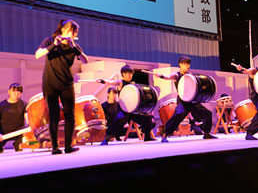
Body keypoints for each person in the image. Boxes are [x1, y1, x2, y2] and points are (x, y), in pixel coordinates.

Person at [35, 19, 88, 154]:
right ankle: (54, 148)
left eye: (76, 32)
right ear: (64, 30)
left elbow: (85, 60)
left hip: (67, 84)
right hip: (50, 83)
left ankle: (68, 146)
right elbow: (37, 55)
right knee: (54, 116)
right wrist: (53, 45)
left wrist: (74, 47)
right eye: (73, 31)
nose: (74, 34)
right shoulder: (50, 40)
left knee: (70, 115)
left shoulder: (74, 45)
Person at [157, 56, 217, 142]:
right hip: (182, 101)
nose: (187, 66)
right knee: (178, 115)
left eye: (188, 63)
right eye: (185, 63)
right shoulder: (177, 75)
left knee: (207, 113)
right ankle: (165, 134)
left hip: (192, 101)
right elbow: (168, 76)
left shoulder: (190, 75)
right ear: (180, 64)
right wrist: (161, 76)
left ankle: (207, 133)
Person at [98, 65, 156, 144]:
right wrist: (102, 81)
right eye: (127, 73)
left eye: (131, 73)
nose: (129, 75)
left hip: (134, 110)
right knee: (117, 121)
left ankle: (147, 136)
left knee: (148, 118)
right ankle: (106, 138)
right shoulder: (120, 82)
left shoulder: (133, 84)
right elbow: (112, 82)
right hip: (124, 110)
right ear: (123, 74)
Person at [0, 83, 28, 153]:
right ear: (9, 91)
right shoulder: (1, 105)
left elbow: (28, 120)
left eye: (19, 92)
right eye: (14, 91)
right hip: (3, 133)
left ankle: (17, 144)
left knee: (19, 148)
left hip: (18, 132)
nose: (16, 94)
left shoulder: (24, 105)